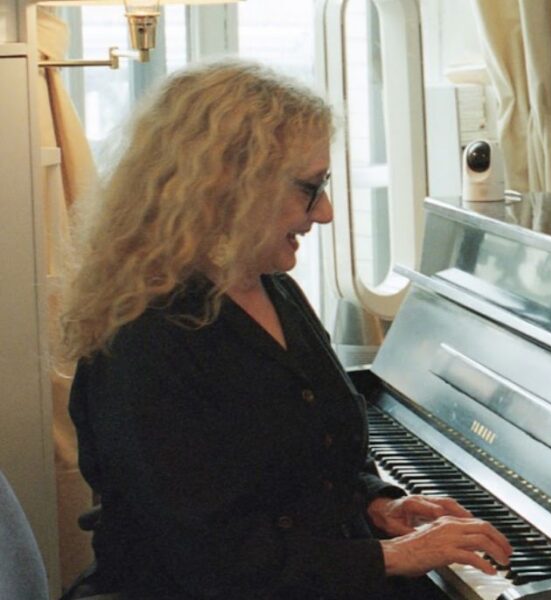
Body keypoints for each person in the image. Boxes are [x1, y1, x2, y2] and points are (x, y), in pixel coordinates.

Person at [59, 60, 510, 599]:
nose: (325, 213)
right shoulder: (142, 336)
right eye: (310, 188)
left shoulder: (271, 286)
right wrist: (394, 556)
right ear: (230, 184)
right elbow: (210, 557)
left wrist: (376, 502)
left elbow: (310, 452)